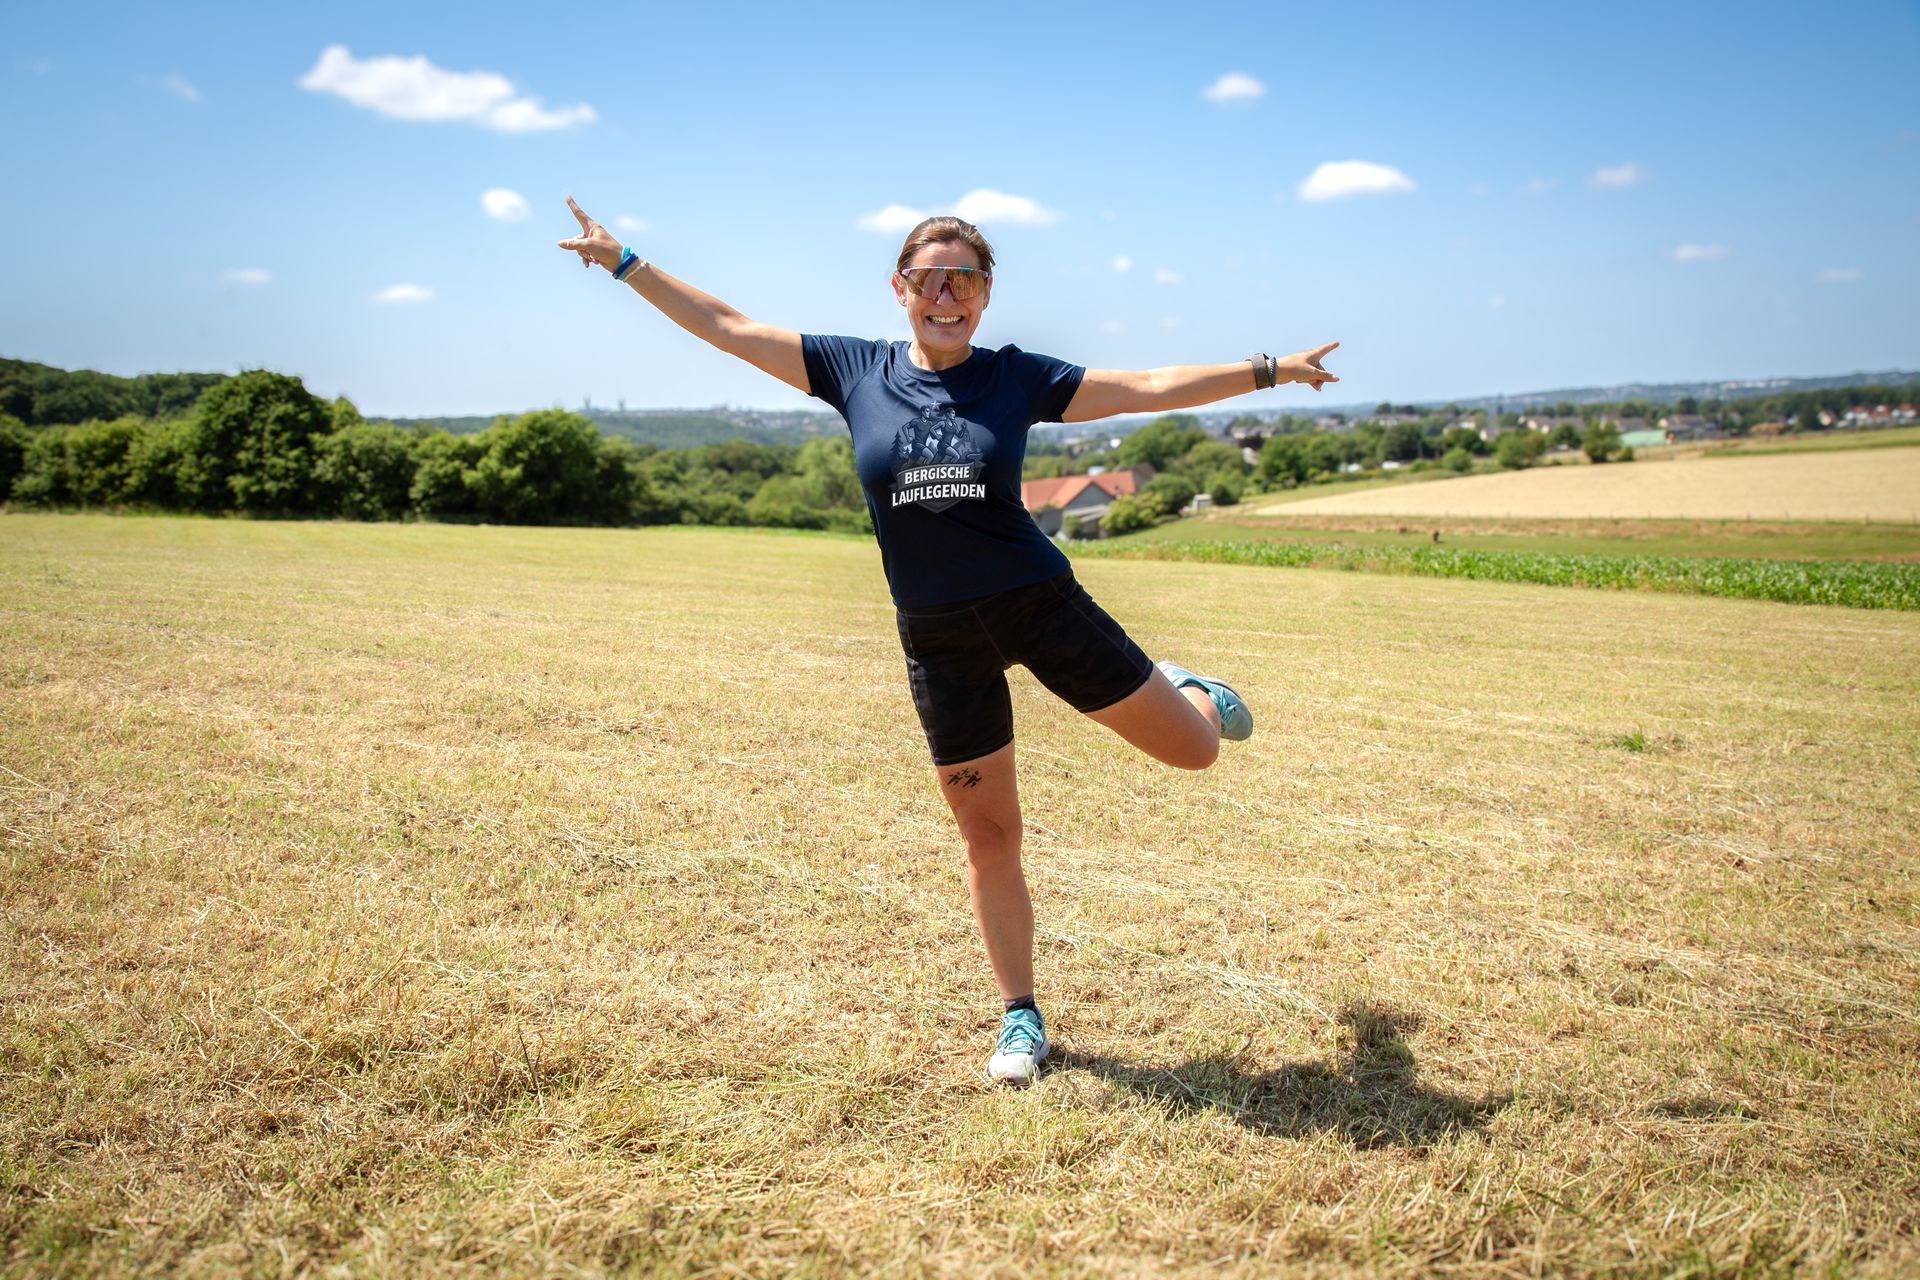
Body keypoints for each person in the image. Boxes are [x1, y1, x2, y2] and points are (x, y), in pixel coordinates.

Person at [557, 197, 1339, 1084]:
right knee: (987, 831)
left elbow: (1152, 387)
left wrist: (1270, 369)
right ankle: (1021, 1016)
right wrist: (626, 263)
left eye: (964, 279)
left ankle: (1190, 687)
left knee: (1196, 751)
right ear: (900, 287)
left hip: (1040, 605)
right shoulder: (850, 370)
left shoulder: (1016, 377)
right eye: (929, 278)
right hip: (937, 639)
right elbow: (728, 327)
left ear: (985, 293)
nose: (946, 294)